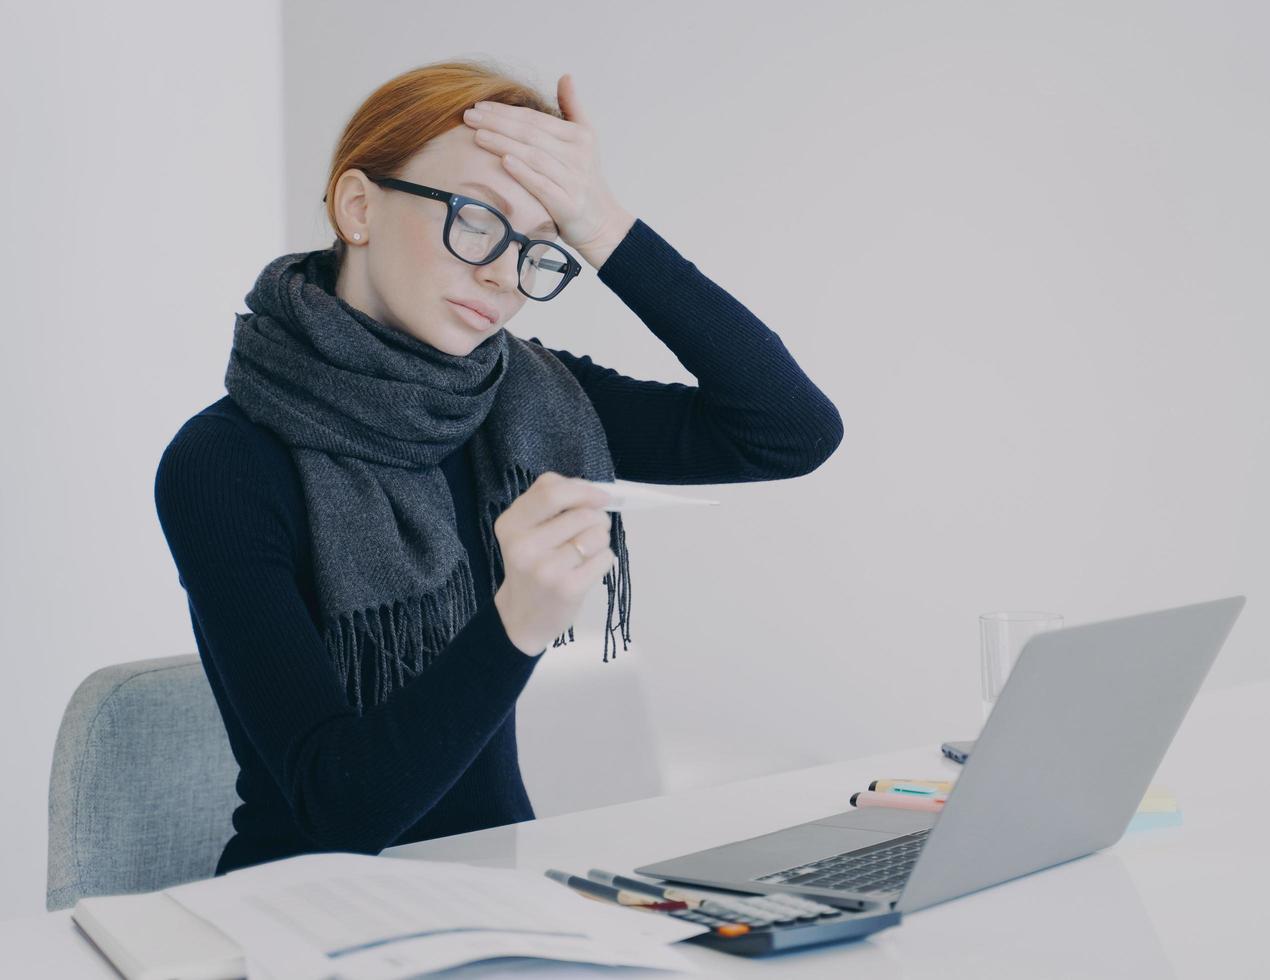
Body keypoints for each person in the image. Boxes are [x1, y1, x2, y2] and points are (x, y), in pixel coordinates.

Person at [153, 60, 843, 875]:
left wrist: (603, 225)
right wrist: (518, 619)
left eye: (538, 248)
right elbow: (339, 809)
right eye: (477, 220)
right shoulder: (224, 462)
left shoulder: (523, 399)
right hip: (306, 909)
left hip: (497, 892)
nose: (502, 275)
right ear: (358, 206)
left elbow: (789, 430)